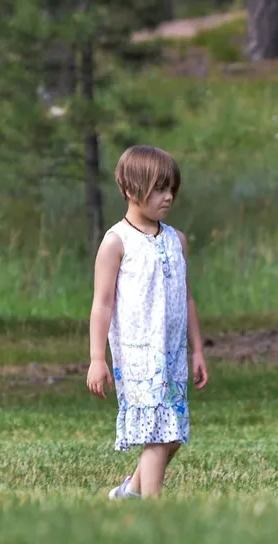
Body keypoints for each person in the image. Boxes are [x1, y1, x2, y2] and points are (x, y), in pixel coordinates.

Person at [86, 145, 209, 500]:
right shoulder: (116, 243)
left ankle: (128, 492)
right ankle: (153, 511)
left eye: (170, 188)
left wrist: (197, 350)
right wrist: (97, 358)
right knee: (157, 436)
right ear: (130, 190)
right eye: (158, 189)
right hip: (139, 355)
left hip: (172, 355)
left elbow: (187, 298)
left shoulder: (176, 240)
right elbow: (102, 304)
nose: (167, 196)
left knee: (173, 436)